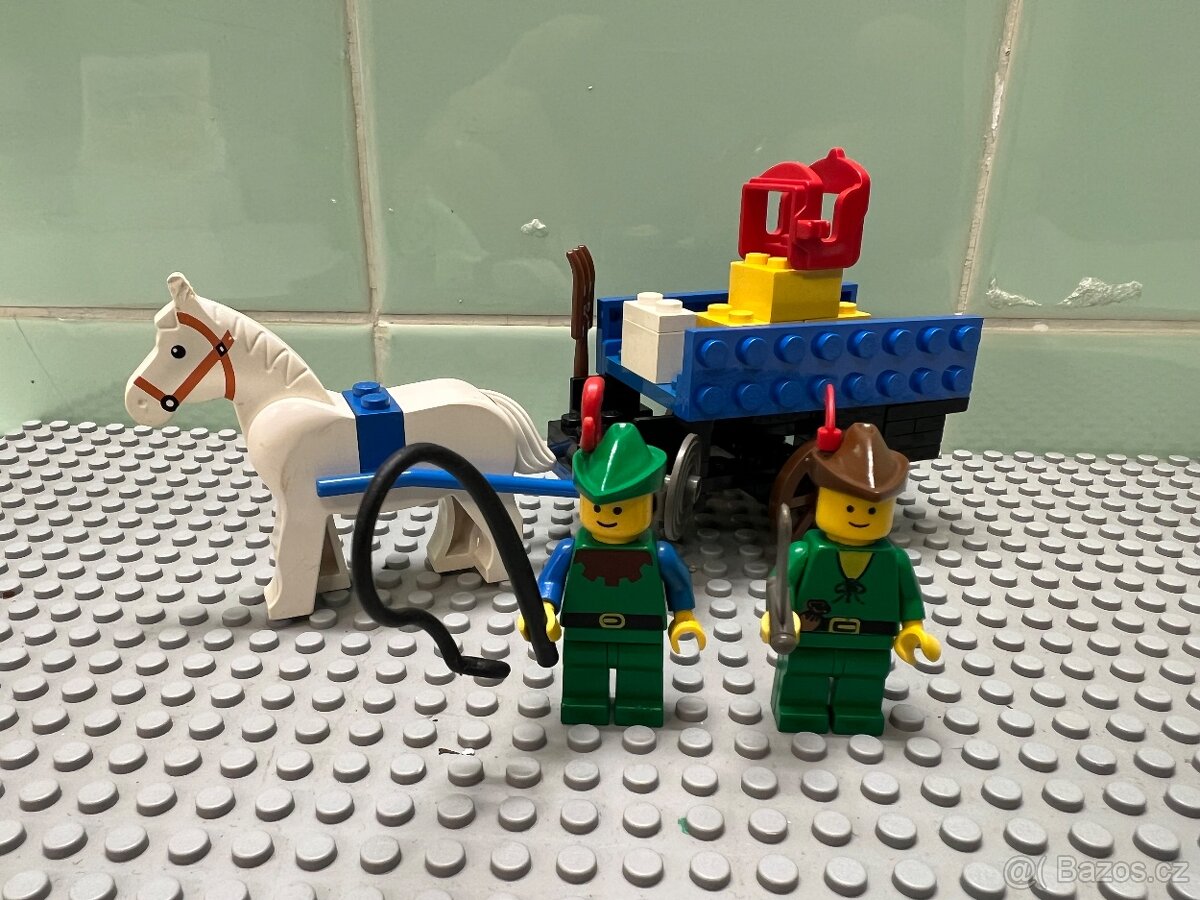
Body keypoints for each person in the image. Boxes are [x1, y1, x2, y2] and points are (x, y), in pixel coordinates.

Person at [761, 422, 940, 735]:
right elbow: (780, 582)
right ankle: (800, 709)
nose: (859, 516)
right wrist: (778, 616)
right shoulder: (806, 551)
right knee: (805, 676)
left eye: (872, 510)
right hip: (813, 636)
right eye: (848, 506)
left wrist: (913, 629)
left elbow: (909, 597)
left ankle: (857, 712)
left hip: (870, 641)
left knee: (865, 679)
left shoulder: (894, 560)